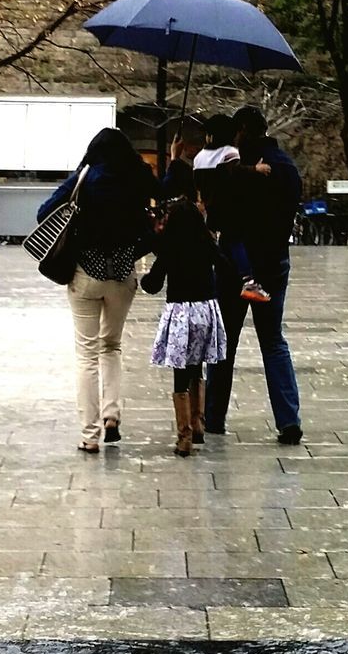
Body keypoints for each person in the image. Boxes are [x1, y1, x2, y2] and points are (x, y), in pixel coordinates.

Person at [37, 128, 158, 453]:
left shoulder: (86, 177)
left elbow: (43, 212)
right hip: (121, 277)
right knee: (112, 346)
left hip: (84, 276)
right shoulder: (136, 179)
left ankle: (90, 435)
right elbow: (157, 210)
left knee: (87, 354)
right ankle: (112, 416)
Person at [204, 105, 303, 444]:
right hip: (274, 262)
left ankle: (214, 417)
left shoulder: (236, 172)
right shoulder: (287, 168)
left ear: (244, 130)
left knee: (224, 343)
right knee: (273, 341)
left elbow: (216, 220)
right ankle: (288, 420)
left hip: (236, 268)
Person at [141, 198, 226, 457]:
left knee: (180, 373)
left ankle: (184, 436)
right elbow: (224, 266)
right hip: (205, 311)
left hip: (181, 313)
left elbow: (153, 283)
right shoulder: (206, 243)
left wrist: (142, 281)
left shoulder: (170, 246)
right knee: (197, 366)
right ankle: (199, 423)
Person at [194, 113, 271, 303]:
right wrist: (255, 169)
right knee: (236, 242)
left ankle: (216, 281)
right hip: (229, 209)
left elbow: (198, 183)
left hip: (211, 210)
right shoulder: (229, 152)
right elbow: (233, 174)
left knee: (222, 246)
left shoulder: (199, 157)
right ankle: (249, 281)